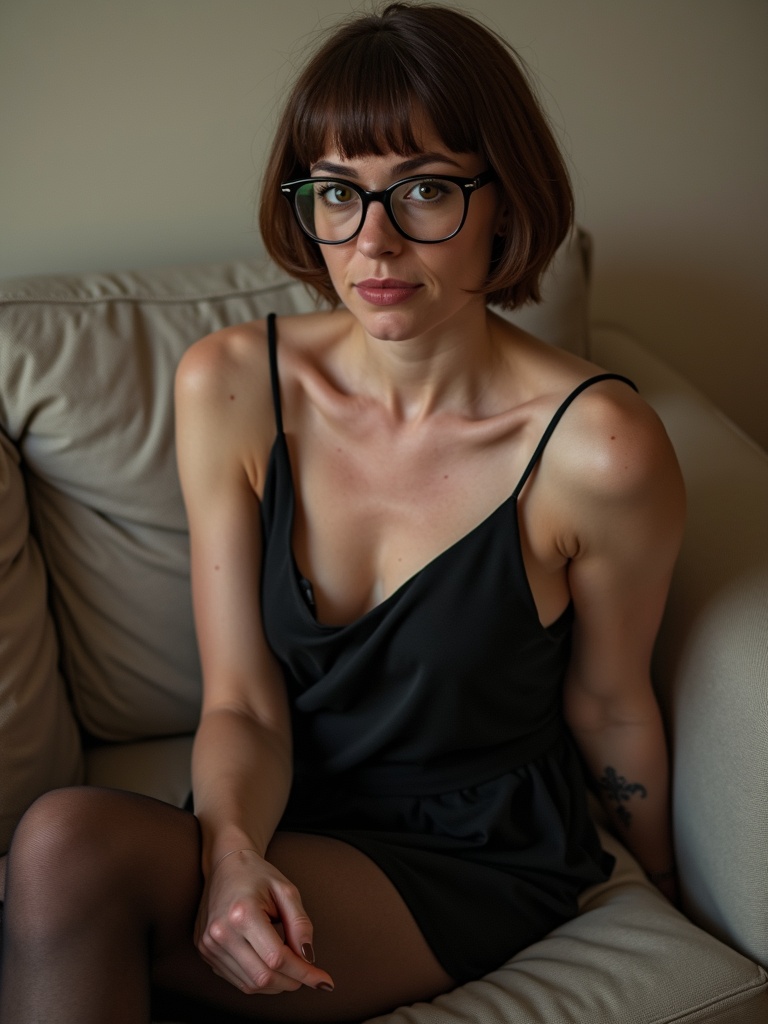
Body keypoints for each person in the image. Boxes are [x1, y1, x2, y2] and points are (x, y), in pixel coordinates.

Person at [0, 3, 685, 1021]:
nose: (372, 242)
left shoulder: (598, 447)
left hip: (464, 849)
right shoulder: (229, 384)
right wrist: (231, 851)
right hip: (276, 805)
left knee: (60, 862)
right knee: (59, 851)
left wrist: (671, 896)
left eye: (425, 191)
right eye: (336, 193)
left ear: (507, 198)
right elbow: (238, 700)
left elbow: (612, 702)